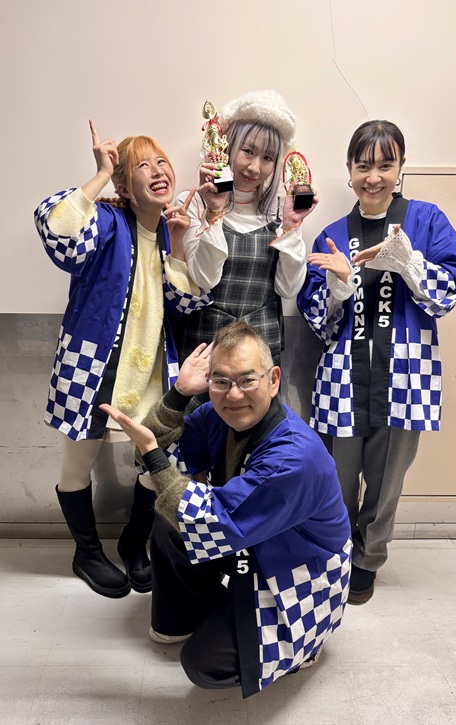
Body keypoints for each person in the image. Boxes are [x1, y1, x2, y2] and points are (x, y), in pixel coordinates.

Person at [101, 320, 351, 698]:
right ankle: (191, 615)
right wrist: (178, 394)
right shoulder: (216, 417)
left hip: (300, 570)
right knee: (169, 524)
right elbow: (160, 462)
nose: (233, 395)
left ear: (273, 380)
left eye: (247, 380)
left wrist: (153, 456)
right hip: (252, 539)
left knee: (203, 664)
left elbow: (208, 519)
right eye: (221, 381)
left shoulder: (293, 456)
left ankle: (305, 647)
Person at [34, 120, 212, 599]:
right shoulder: (106, 222)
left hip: (150, 375)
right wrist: (100, 173)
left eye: (161, 161)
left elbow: (188, 302)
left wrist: (179, 241)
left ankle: (135, 544)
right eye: (141, 165)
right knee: (77, 463)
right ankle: (87, 552)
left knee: (157, 461)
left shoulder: (167, 233)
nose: (157, 170)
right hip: (93, 368)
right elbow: (56, 228)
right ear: (124, 185)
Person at [297, 120, 456, 605]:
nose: (373, 177)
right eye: (363, 165)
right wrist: (337, 286)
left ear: (400, 168)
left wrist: (408, 262)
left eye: (384, 165)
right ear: (349, 169)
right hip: (343, 378)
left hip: (405, 376)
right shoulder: (333, 234)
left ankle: (367, 559)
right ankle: (334, 552)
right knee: (335, 477)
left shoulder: (426, 221)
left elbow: (452, 288)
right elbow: (317, 320)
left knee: (387, 479)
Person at [175, 89, 319, 366]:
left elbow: (288, 289)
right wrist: (214, 211)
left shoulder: (279, 210)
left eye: (268, 158)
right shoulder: (192, 203)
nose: (254, 167)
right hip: (203, 353)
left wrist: (291, 226)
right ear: (228, 147)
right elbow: (204, 280)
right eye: (248, 151)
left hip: (260, 357)